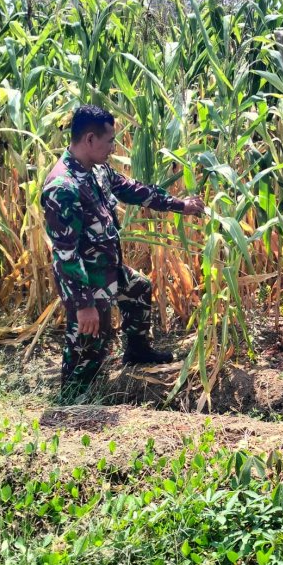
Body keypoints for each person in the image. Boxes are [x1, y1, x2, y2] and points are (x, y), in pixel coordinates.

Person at [42, 105, 205, 400]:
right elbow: (65, 255)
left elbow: (132, 189)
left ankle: (137, 351)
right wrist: (84, 304)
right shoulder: (62, 187)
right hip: (87, 283)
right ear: (90, 139)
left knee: (139, 288)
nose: (113, 147)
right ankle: (72, 402)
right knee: (90, 347)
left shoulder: (97, 169)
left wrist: (181, 205)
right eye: (109, 141)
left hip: (109, 270)